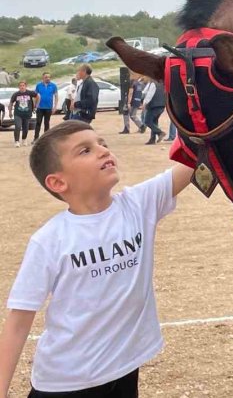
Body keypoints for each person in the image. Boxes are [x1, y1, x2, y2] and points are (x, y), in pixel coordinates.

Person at [0, 120, 194, 397]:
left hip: (124, 368)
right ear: (58, 182)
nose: (103, 151)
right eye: (85, 150)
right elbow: (19, 321)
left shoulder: (138, 204)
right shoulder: (50, 240)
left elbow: (194, 160)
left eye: (102, 143)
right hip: (67, 382)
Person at [8, 81, 38, 148]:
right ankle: (17, 141)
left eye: (23, 85)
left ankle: (24, 139)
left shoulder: (30, 93)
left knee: (26, 128)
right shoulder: (16, 94)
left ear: (25, 86)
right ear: (19, 87)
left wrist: (35, 105)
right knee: (18, 126)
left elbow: (38, 96)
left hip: (27, 113)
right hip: (18, 113)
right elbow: (11, 103)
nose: (22, 87)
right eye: (20, 85)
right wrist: (10, 112)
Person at [33, 73, 58, 141]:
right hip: (40, 107)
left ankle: (46, 139)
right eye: (46, 77)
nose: (48, 78)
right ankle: (36, 138)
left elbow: (56, 96)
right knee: (38, 123)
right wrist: (34, 106)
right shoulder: (38, 85)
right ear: (43, 78)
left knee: (47, 123)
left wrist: (55, 107)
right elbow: (35, 96)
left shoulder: (53, 86)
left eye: (49, 77)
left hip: (48, 108)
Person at [140, 80, 166, 145]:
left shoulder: (152, 84)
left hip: (153, 106)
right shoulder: (162, 83)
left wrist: (144, 103)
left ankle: (160, 132)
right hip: (162, 105)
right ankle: (152, 139)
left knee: (147, 121)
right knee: (154, 122)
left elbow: (149, 94)